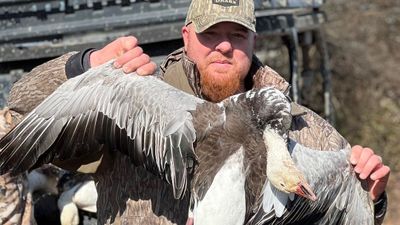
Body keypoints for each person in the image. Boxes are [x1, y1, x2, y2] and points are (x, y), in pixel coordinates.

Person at [5, 0, 389, 224]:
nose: (223, 47)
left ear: (254, 40)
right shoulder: (140, 95)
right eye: (210, 34)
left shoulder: (305, 128)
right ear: (187, 36)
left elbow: (354, 211)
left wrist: (373, 196)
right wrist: (84, 66)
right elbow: (21, 102)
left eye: (236, 35)